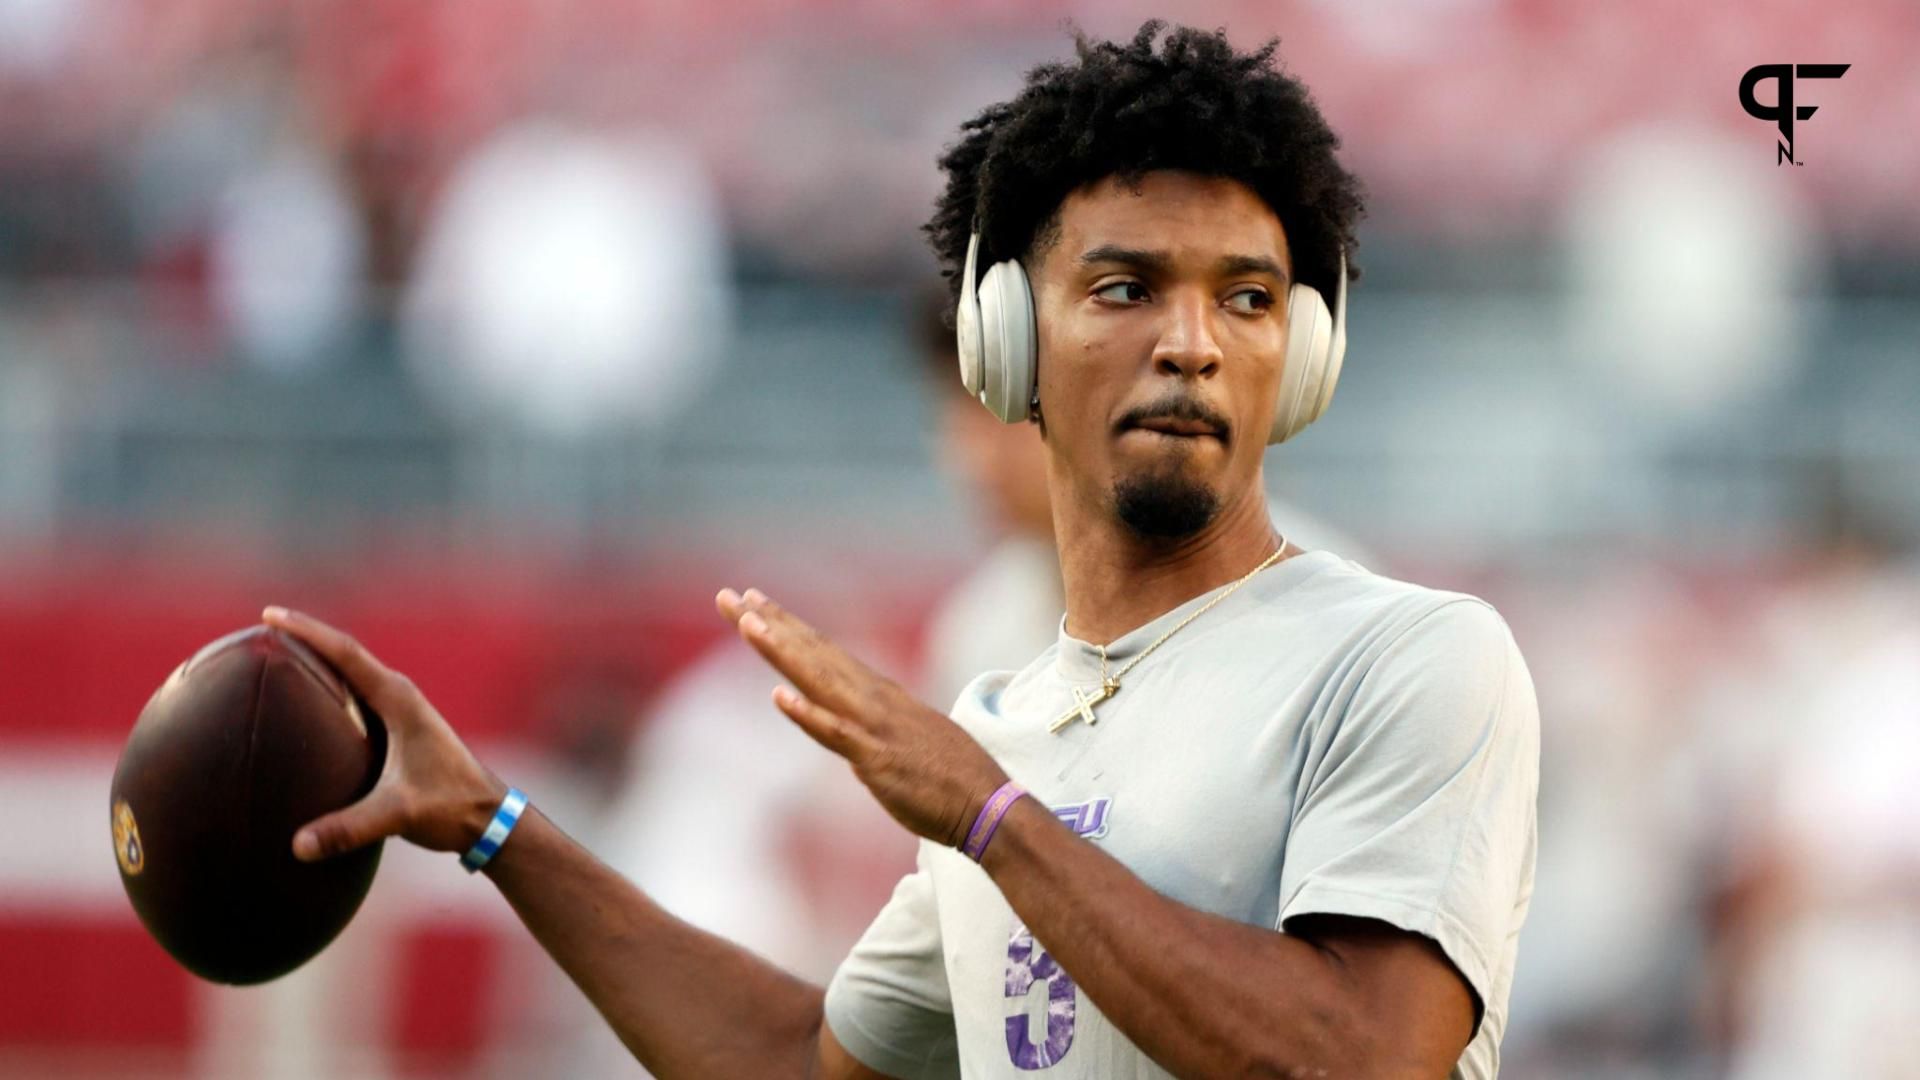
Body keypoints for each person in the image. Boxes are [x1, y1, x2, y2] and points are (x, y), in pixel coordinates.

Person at [264, 23, 1539, 1079]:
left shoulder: (1411, 656)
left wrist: (990, 818)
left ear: (1306, 356)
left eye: (1249, 298)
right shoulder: (1001, 721)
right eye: (1124, 287)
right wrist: (495, 825)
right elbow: (794, 1061)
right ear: (1003, 342)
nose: (1195, 341)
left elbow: (1367, 1059)